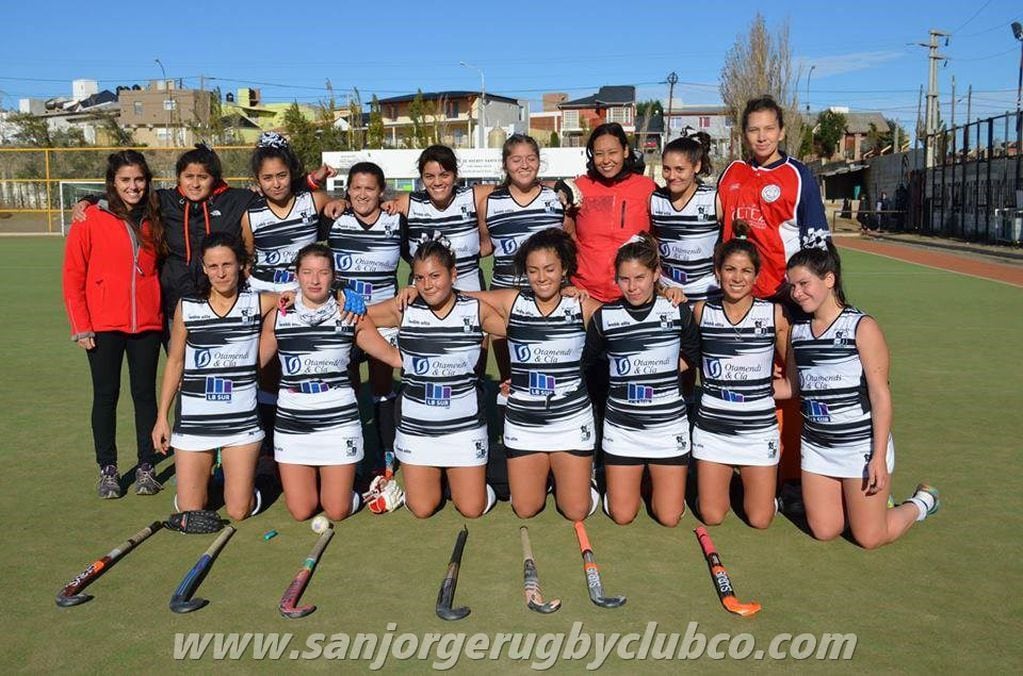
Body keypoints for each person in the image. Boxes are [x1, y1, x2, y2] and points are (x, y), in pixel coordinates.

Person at [397, 228, 600, 521]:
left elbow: (621, 319)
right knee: (526, 508)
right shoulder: (511, 301)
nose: (541, 277)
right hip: (524, 419)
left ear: (564, 269)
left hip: (570, 419)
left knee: (575, 510)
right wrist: (418, 289)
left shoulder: (581, 305)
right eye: (533, 270)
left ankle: (584, 481)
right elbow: (455, 294)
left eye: (550, 269)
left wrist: (664, 294)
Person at [72, 143, 333, 342]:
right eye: (188, 177)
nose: (195, 184)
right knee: (181, 370)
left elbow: (275, 186)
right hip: (176, 302)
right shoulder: (164, 200)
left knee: (224, 364)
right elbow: (128, 192)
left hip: (223, 299)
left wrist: (311, 181)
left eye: (203, 177)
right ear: (179, 178)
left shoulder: (235, 199)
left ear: (215, 179)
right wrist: (89, 200)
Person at [777, 242, 939, 549]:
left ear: (829, 279)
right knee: (825, 530)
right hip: (818, 448)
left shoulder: (861, 327)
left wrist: (877, 456)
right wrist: (740, 388)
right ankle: (863, 505)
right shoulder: (798, 332)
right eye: (792, 286)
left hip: (860, 450)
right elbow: (792, 387)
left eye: (803, 284)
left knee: (869, 537)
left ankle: (921, 503)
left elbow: (880, 397)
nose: (797, 293)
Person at [716, 95, 831, 497]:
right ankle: (743, 467)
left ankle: (796, 477)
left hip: (784, 300)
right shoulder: (730, 173)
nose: (761, 136)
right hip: (739, 302)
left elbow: (818, 244)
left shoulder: (799, 177)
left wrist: (815, 299)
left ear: (781, 131)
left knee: (796, 384)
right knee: (745, 383)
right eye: (753, 129)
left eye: (769, 128)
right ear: (743, 133)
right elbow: (721, 233)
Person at [259, 244, 401, 521]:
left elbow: (394, 358)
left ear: (333, 276)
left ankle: (367, 487)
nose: (315, 280)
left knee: (337, 510)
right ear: (296, 275)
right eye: (308, 272)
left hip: (338, 420)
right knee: (301, 511)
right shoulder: (279, 316)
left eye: (323, 272)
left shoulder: (349, 314)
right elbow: (252, 364)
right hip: (293, 421)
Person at [366, 238, 506, 518]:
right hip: (418, 429)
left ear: (453, 274)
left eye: (435, 276)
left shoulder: (474, 309)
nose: (428, 285)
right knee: (422, 508)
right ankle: (438, 481)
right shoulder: (403, 307)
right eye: (419, 278)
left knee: (472, 508)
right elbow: (357, 317)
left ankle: (473, 478)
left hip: (464, 428)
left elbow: (522, 319)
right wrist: (393, 356)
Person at [152, 232, 276, 520]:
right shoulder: (188, 306)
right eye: (213, 266)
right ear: (204, 268)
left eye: (228, 265)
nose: (221, 274)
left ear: (242, 265)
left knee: (238, 511)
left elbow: (298, 297)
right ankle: (201, 483)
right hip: (195, 420)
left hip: (241, 421)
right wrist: (162, 418)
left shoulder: (257, 302)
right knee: (191, 510)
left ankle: (257, 477)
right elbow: (175, 361)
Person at [63, 150, 165, 499]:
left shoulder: (156, 213)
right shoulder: (90, 218)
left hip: (147, 323)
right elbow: (73, 274)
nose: (133, 186)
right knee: (106, 395)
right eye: (125, 180)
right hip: (103, 324)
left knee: (144, 395)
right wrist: (81, 324)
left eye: (139, 179)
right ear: (113, 182)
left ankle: (146, 466)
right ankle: (107, 468)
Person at [582, 233, 701, 527]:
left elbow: (698, 356)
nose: (632, 287)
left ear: (656, 274)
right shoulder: (605, 316)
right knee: (623, 515)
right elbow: (587, 365)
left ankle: (659, 486)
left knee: (669, 517)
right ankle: (612, 483)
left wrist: (664, 370)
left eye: (640, 277)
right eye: (624, 279)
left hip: (667, 426)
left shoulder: (676, 309)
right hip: (623, 428)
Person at [691, 222, 789, 528]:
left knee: (760, 519)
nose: (737, 278)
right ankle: (718, 487)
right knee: (711, 515)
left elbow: (794, 377)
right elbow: (687, 359)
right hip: (713, 425)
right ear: (717, 272)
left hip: (757, 428)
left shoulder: (774, 315)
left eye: (746, 271)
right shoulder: (700, 311)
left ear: (757, 276)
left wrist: (759, 392)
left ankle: (762, 490)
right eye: (730, 269)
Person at [326, 162, 403, 475]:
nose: (362, 194)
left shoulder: (396, 220)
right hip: (344, 316)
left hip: (383, 316)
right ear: (347, 191)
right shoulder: (333, 219)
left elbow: (419, 256)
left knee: (382, 385)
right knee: (349, 385)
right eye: (356, 188)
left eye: (369, 188)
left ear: (381, 191)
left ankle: (386, 452)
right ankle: (352, 451)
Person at [561, 122, 657, 303]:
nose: (606, 160)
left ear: (626, 151)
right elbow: (565, 235)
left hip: (632, 294)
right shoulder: (580, 187)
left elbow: (659, 238)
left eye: (612, 152)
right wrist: (566, 283)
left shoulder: (647, 188)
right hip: (585, 295)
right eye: (599, 154)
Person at [241, 132, 333, 293]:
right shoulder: (250, 215)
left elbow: (354, 210)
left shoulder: (315, 201)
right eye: (267, 178)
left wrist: (342, 202)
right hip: (263, 292)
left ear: (291, 173)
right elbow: (247, 261)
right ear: (258, 180)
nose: (276, 184)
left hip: (303, 294)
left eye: (282, 175)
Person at [652, 132, 721, 304]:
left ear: (696, 167)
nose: (672, 176)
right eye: (666, 169)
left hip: (707, 293)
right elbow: (650, 241)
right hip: (669, 293)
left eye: (679, 169)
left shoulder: (713, 198)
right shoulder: (655, 200)